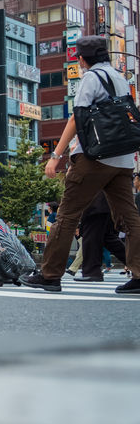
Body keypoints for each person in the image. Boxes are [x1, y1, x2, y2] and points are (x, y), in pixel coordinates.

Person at [23, 35, 140, 293]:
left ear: (83, 59)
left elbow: (77, 119)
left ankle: (50, 274)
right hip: (122, 159)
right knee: (130, 217)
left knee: (67, 214)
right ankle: (139, 275)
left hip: (94, 157)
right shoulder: (120, 78)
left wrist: (56, 156)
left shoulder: (90, 78)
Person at [70, 191, 126, 282]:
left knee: (91, 238)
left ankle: (92, 271)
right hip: (103, 204)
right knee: (108, 239)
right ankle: (136, 264)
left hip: (95, 204)